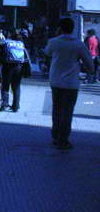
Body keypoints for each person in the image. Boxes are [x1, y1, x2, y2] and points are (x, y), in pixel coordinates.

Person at [44, 17, 94, 150]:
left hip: (55, 81)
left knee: (57, 109)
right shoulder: (78, 44)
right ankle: (63, 138)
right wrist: (90, 72)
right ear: (73, 29)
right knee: (67, 111)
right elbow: (89, 63)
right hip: (71, 83)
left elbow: (47, 53)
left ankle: (55, 135)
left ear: (60, 28)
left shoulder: (54, 42)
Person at [0, 30, 30, 112]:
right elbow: (25, 57)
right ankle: (16, 106)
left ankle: (4, 105)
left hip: (7, 67)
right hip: (19, 67)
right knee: (16, 87)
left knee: (5, 86)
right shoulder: (21, 44)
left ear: (10, 35)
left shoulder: (6, 42)